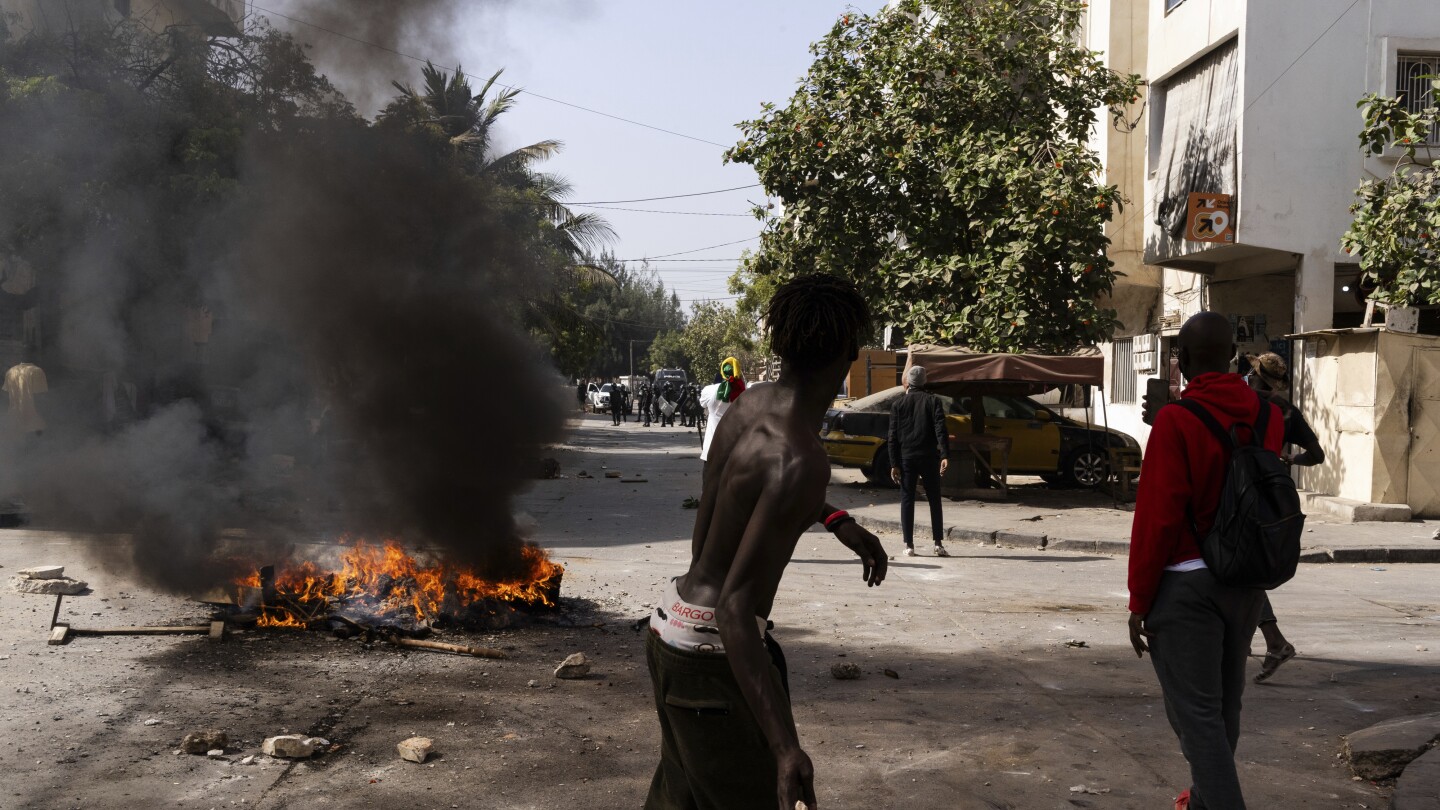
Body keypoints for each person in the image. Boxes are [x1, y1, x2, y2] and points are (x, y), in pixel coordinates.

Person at [645, 274, 884, 810]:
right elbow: (735, 611)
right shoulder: (803, 459)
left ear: (781, 343)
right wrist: (785, 749)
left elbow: (743, 487)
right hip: (712, 657)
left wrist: (835, 518)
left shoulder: (748, 406)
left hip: (669, 629)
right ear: (849, 351)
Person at [1128, 312, 1284, 810]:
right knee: (1222, 709)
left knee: (1195, 716)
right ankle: (1202, 801)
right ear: (1234, 357)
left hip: (1185, 585)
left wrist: (1139, 599)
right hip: (1245, 582)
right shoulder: (1269, 417)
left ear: (1184, 361)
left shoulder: (1177, 420)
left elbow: (1158, 518)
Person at [1244, 352, 1324, 684]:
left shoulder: (1246, 404)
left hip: (1243, 492)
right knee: (1246, 569)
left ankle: (1273, 640)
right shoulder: (1288, 411)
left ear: (1254, 373)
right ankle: (1263, 639)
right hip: (1274, 496)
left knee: (1240, 569)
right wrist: (1289, 459)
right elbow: (1317, 455)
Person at [887, 365, 950, 558]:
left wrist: (893, 463)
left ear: (908, 383)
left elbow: (892, 436)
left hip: (906, 458)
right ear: (924, 382)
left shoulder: (898, 404)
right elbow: (941, 428)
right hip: (928, 457)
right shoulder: (933, 402)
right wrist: (945, 454)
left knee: (907, 500)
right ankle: (938, 543)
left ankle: (909, 545)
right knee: (934, 499)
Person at [698, 356, 746, 462]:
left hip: (712, 449)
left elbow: (702, 404)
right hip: (737, 450)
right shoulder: (744, 392)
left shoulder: (709, 390)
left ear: (722, 372)